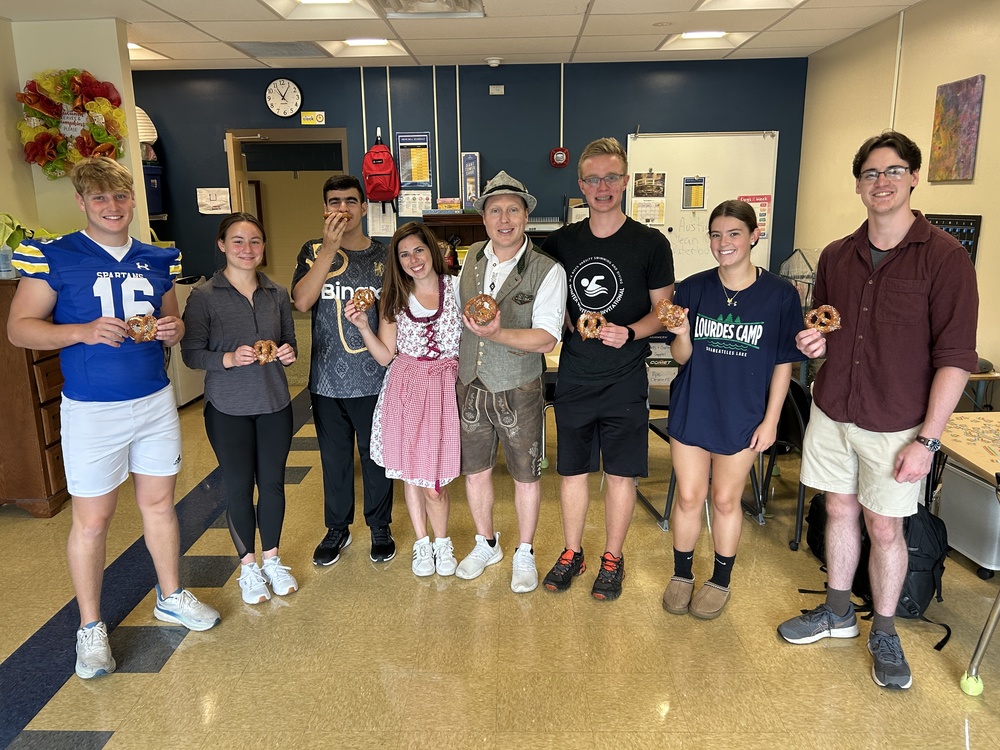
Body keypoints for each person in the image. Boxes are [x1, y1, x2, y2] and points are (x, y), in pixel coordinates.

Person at [777, 131, 978, 690]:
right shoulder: (837, 255)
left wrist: (928, 440)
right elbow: (826, 325)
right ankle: (838, 610)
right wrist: (814, 345)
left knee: (884, 526)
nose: (881, 182)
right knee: (838, 509)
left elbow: (956, 359)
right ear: (859, 185)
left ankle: (884, 629)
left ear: (914, 177)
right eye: (870, 174)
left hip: (897, 422)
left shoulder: (945, 258)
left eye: (892, 172)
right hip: (834, 408)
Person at [7, 156, 220, 680]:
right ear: (81, 202)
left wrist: (171, 330)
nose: (112, 206)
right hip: (92, 407)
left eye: (120, 197)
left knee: (159, 504)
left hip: (152, 399)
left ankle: (170, 594)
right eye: (99, 198)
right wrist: (79, 331)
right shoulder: (55, 255)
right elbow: (19, 329)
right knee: (93, 519)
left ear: (132, 200)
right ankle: (90, 626)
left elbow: (169, 318)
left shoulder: (156, 257)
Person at [540, 137, 674, 601]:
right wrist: (559, 325)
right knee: (572, 471)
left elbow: (665, 311)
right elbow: (543, 301)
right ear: (581, 185)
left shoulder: (650, 243)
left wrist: (631, 332)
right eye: (593, 179)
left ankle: (612, 557)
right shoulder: (560, 242)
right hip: (575, 375)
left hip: (625, 376)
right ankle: (572, 551)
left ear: (625, 182)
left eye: (611, 177)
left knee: (620, 473)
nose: (603, 186)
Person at [661, 200, 806, 619]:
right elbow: (682, 357)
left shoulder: (780, 294)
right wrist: (683, 332)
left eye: (733, 234)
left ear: (754, 235)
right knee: (689, 496)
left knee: (725, 499)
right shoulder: (692, 288)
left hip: (744, 413)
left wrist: (772, 419)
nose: (723, 243)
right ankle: (682, 574)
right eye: (716, 234)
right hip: (694, 405)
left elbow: (783, 361)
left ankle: (720, 579)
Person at [455, 171, 567, 593]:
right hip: (471, 382)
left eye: (513, 210)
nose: (504, 219)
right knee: (477, 470)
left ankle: (524, 550)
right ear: (483, 218)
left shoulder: (546, 270)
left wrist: (497, 334)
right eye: (495, 210)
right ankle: (487, 543)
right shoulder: (471, 259)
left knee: (525, 474)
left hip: (520, 387)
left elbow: (547, 337)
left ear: (526, 217)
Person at [181, 212, 299, 604]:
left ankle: (272, 560)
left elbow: (289, 343)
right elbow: (192, 353)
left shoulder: (277, 293)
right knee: (238, 487)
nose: (247, 249)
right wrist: (228, 359)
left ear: (263, 247)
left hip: (274, 403)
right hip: (227, 407)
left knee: (272, 484)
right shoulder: (203, 296)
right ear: (222, 245)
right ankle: (248, 567)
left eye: (255, 241)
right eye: (238, 241)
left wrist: (287, 353)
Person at [345, 222, 462, 578]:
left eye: (419, 250)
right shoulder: (394, 299)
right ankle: (422, 543)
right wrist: (363, 326)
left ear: (433, 251)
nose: (413, 260)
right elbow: (385, 356)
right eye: (404, 254)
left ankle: (443, 543)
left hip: (445, 388)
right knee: (411, 474)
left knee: (435, 481)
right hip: (406, 388)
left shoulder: (456, 289)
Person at [292, 175, 395, 567]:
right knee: (334, 458)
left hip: (373, 376)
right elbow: (302, 301)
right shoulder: (312, 250)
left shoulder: (385, 256)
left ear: (364, 208)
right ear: (325, 208)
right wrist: (328, 250)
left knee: (375, 456)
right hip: (326, 380)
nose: (343, 209)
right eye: (334, 201)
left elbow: (395, 311)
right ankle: (337, 528)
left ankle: (380, 525)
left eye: (351, 201)